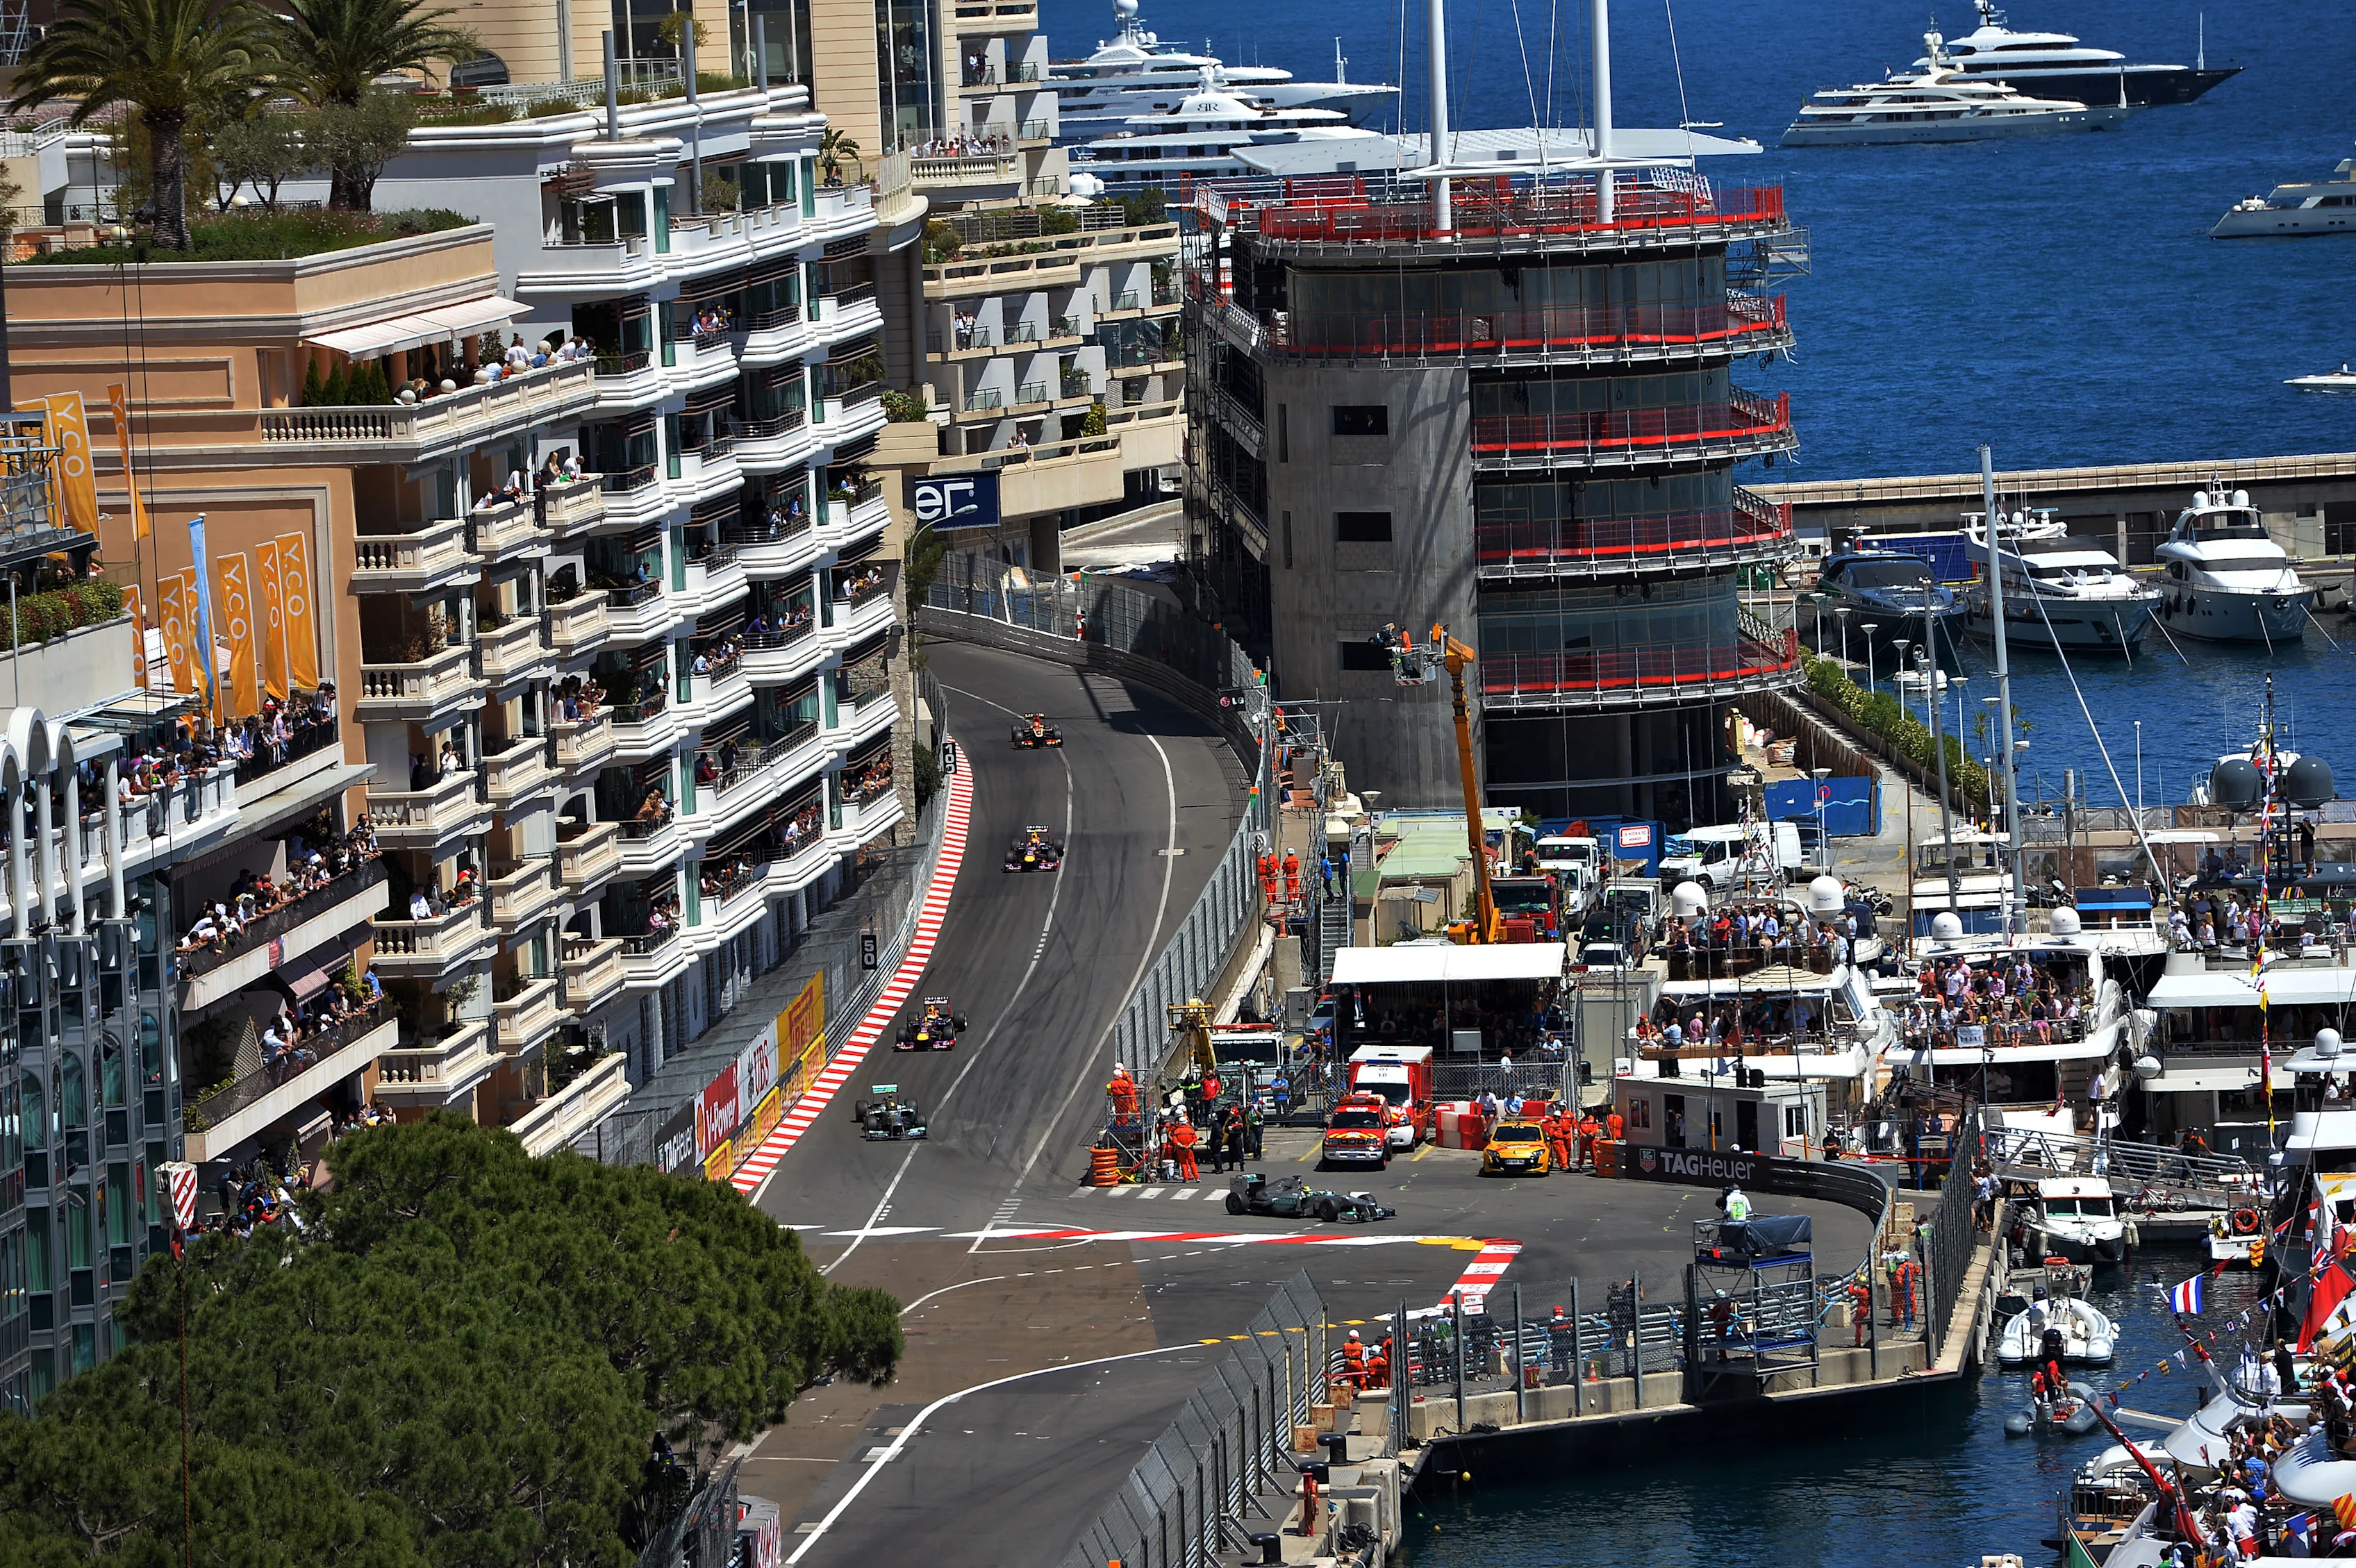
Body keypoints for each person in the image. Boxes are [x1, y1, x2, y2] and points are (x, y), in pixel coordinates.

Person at [1168, 1117, 1199, 1181]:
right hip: (1189, 1149)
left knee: (1183, 1164)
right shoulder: (1190, 1130)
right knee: (1192, 1163)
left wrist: (1180, 1145)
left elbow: (1175, 1140)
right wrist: (1191, 1144)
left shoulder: (1177, 1131)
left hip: (1181, 1149)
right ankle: (1196, 1177)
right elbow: (1195, 1138)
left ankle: (1186, 1178)